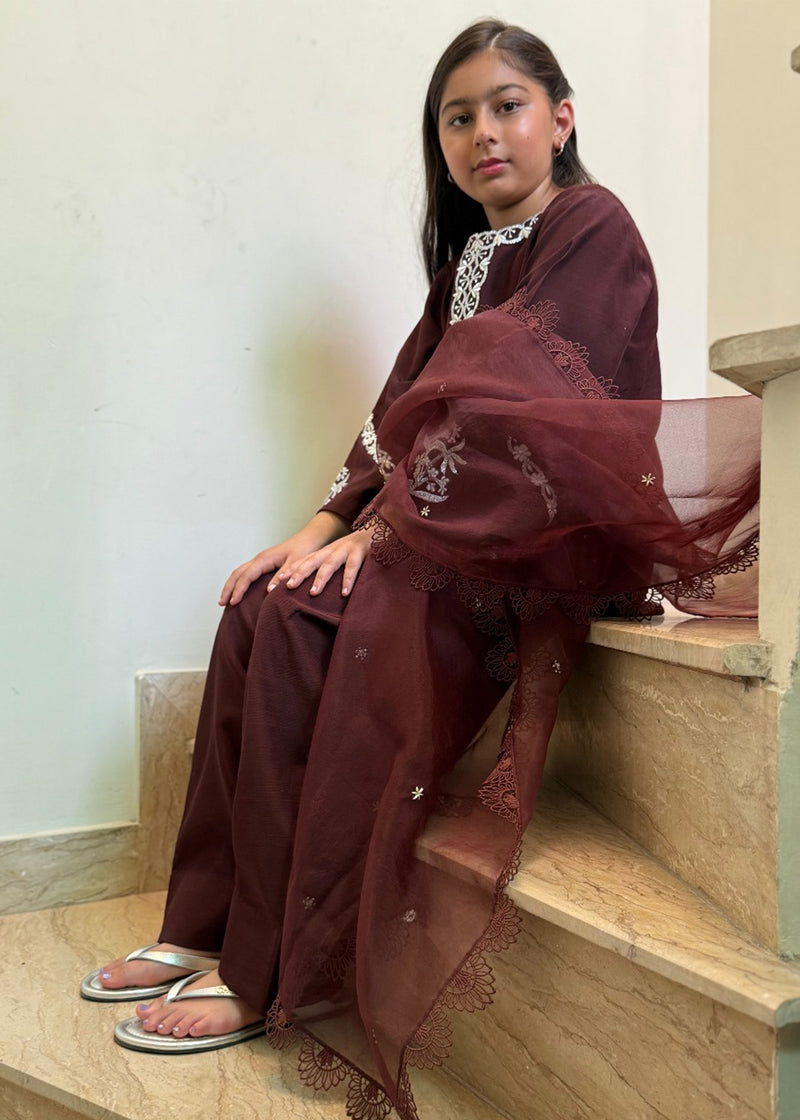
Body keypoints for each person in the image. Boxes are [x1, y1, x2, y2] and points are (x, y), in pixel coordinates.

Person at [79, 19, 760, 1120]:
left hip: (543, 539)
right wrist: (319, 525)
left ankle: (265, 970)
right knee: (262, 602)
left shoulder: (593, 227)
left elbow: (521, 420)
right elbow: (402, 410)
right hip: (445, 524)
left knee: (306, 627)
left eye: (506, 105)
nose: (483, 131)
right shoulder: (464, 265)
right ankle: (199, 925)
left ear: (561, 119)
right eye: (457, 117)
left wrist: (388, 536)